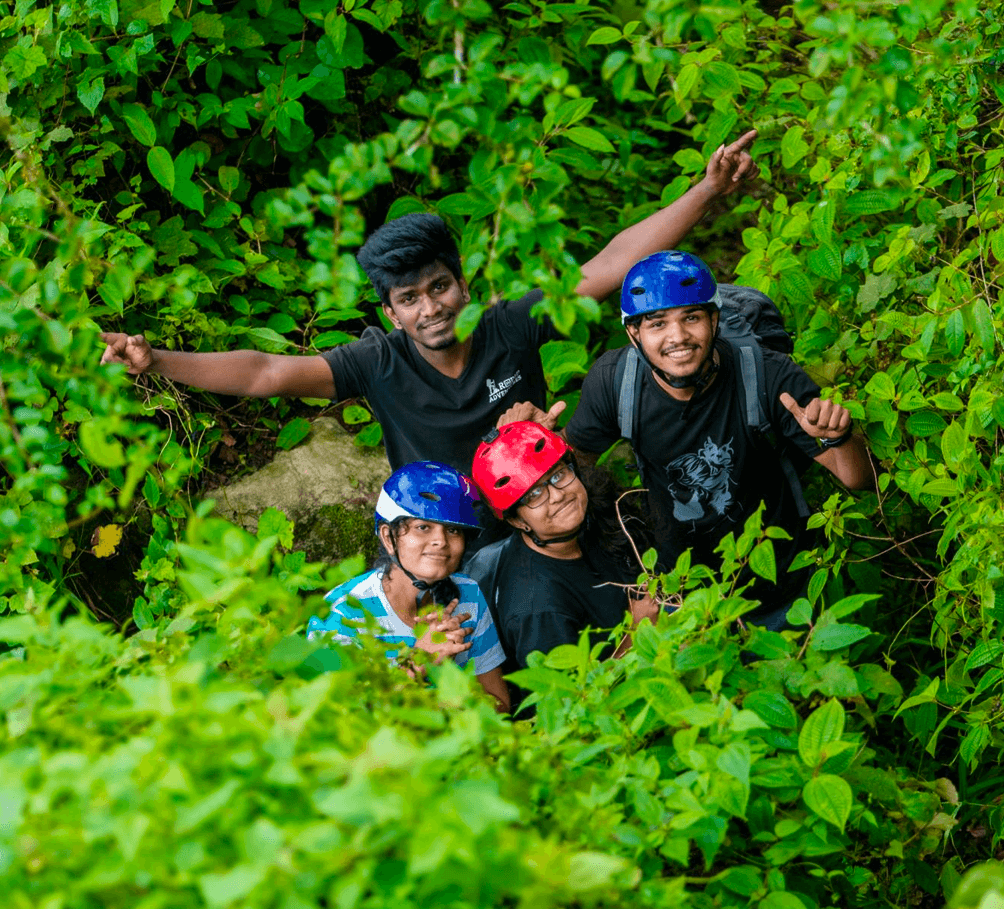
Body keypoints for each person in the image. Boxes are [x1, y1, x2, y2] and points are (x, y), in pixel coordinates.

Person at [98, 132, 758, 480]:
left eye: (439, 287)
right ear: (391, 313)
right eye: (409, 299)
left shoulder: (507, 322)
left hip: (542, 502)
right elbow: (265, 373)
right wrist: (156, 358)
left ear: (464, 283)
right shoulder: (377, 363)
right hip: (448, 535)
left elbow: (611, 266)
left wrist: (706, 191)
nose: (431, 308)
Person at [562, 250, 874, 630]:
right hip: (684, 594)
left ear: (715, 319)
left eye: (691, 317)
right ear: (634, 333)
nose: (677, 337)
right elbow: (573, 465)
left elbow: (860, 480)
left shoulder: (768, 375)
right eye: (657, 323)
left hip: (783, 590)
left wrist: (839, 438)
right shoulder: (615, 383)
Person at [306, 461, 510, 711]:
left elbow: (500, 704)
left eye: (453, 530)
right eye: (423, 527)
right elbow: (337, 723)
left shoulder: (467, 594)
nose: (440, 541)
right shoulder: (342, 614)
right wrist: (418, 664)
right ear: (388, 537)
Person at [468, 421, 657, 687]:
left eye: (557, 476)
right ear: (516, 521)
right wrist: (637, 633)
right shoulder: (538, 610)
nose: (557, 496)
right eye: (533, 495)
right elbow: (568, 706)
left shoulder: (589, 522)